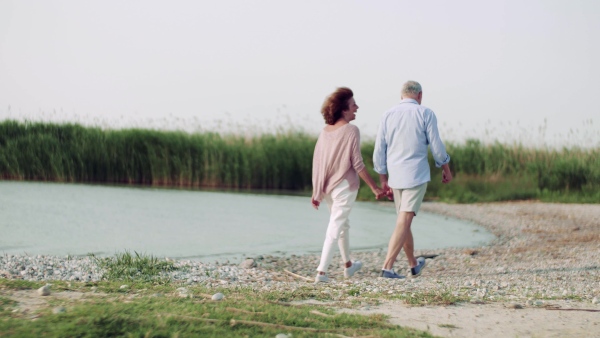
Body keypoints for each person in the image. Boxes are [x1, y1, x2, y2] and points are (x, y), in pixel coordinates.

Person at [373, 80, 453, 279]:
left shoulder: (387, 115)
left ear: (401, 96)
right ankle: (387, 268)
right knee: (404, 220)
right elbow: (436, 146)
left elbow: (378, 150)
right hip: (416, 175)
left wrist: (383, 179)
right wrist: (445, 167)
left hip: (395, 176)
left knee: (403, 220)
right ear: (420, 95)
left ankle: (413, 265)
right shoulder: (425, 113)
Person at [311, 87, 385, 283]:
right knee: (336, 226)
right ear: (344, 109)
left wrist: (317, 191)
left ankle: (348, 266)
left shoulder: (325, 132)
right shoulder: (352, 130)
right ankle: (321, 272)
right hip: (343, 185)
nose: (357, 107)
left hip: (328, 187)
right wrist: (374, 187)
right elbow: (357, 163)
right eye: (353, 105)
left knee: (342, 225)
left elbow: (318, 163)